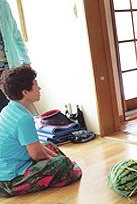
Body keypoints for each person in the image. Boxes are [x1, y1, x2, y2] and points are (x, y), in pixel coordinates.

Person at [0, 66, 81, 197]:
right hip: (9, 181)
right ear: (25, 92)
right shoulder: (23, 119)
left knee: (50, 146)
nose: (39, 88)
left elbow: (38, 147)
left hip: (10, 168)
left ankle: (65, 168)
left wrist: (59, 158)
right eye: (36, 84)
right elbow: (36, 155)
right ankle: (64, 171)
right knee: (62, 164)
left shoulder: (9, 109)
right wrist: (63, 162)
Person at [0, 0, 30, 112]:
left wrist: (26, 61)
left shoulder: (3, 4)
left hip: (9, 69)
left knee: (14, 110)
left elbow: (16, 35)